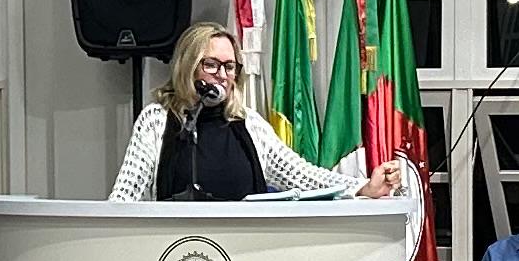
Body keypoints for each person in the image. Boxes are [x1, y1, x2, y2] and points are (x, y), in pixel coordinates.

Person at [112, 23, 410, 206]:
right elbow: (125, 195)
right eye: (211, 64)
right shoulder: (157, 120)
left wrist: (362, 187)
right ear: (188, 67)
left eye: (230, 67)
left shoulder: (249, 124)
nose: (222, 75)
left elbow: (302, 176)